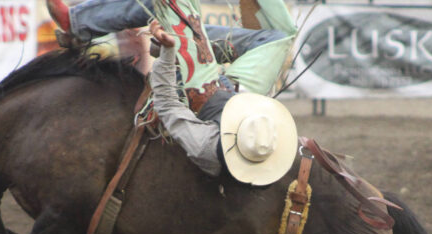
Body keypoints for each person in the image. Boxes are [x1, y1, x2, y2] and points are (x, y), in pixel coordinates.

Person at [47, 0, 299, 185]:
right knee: (281, 37)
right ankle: (171, 38)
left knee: (172, 3)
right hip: (241, 92)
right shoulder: (258, 139)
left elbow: (169, 106)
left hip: (203, 91)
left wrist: (169, 52)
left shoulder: (205, 146)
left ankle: (79, 23)